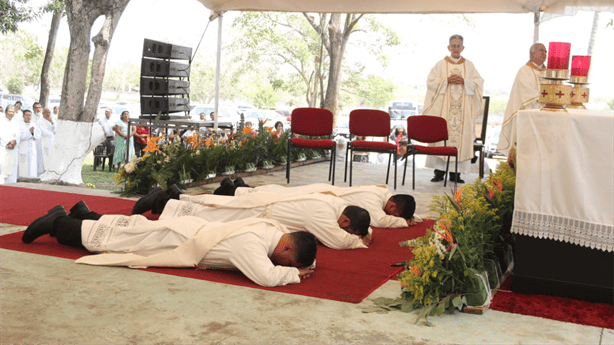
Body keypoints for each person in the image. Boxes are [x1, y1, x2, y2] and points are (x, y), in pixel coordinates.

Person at [21, 201, 318, 288]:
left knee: (132, 228)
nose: (281, 264)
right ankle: (58, 224)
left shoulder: (272, 230)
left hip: (190, 232)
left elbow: (297, 249)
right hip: (181, 240)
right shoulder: (252, 245)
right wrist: (295, 274)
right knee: (117, 242)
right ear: (288, 249)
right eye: (286, 261)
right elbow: (266, 277)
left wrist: (305, 264)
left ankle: (83, 213)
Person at [132, 187, 372, 250]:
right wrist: (357, 242)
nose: (344, 232)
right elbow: (337, 241)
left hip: (264, 205)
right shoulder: (323, 217)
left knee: (214, 206)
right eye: (348, 230)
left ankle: (173, 195)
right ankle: (160, 202)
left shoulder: (333, 206)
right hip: (260, 211)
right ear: (347, 222)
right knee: (209, 214)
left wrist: (365, 233)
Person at [214, 180, 419, 228]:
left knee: (280, 193)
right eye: (396, 215)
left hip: (326, 192)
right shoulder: (373, 201)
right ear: (392, 207)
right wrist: (405, 223)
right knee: (276, 197)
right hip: (322, 195)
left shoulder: (383, 192)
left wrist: (412, 216)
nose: (392, 216)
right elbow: (380, 221)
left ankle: (240, 187)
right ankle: (232, 190)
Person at [423, 34, 484, 184]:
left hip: (463, 112)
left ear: (463, 48)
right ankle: (439, 172)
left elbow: (478, 83)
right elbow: (430, 82)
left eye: (459, 45)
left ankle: (456, 174)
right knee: (442, 138)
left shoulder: (469, 65)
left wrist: (465, 82)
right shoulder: (440, 65)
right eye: (453, 45)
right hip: (443, 112)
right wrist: (446, 81)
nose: (456, 48)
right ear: (448, 47)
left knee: (460, 138)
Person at [497, 43, 548, 156]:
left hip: (546, 115)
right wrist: (544, 97)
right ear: (532, 53)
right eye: (541, 50)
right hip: (528, 114)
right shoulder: (524, 71)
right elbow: (524, 92)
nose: (544, 53)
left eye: (545, 51)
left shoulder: (549, 73)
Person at [0, 105, 21, 184]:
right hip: (3, 147)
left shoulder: (16, 123)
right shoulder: (1, 121)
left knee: (12, 167)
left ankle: (11, 184)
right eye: (10, 111)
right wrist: (8, 143)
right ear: (6, 112)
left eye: (13, 112)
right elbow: (1, 133)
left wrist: (14, 142)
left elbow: (18, 134)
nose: (12, 113)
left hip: (13, 148)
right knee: (3, 166)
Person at [18, 110, 40, 179]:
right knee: (23, 165)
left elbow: (38, 136)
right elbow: (20, 136)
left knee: (32, 165)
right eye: (26, 115)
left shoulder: (34, 124)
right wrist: (30, 133)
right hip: (23, 147)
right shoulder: (19, 124)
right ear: (23, 116)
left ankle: (32, 178)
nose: (28, 117)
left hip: (32, 148)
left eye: (29, 115)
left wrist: (33, 133)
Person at [37, 108, 56, 174]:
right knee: (45, 156)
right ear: (43, 114)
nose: (48, 114)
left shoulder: (52, 120)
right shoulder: (39, 122)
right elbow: (43, 132)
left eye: (49, 112)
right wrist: (51, 134)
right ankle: (45, 171)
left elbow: (56, 131)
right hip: (45, 141)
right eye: (46, 112)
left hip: (52, 141)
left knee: (51, 156)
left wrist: (52, 123)